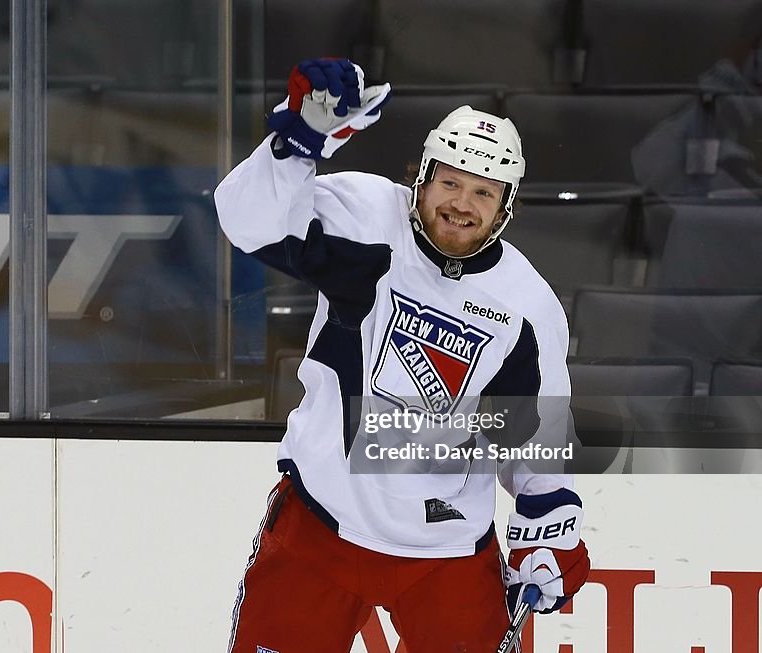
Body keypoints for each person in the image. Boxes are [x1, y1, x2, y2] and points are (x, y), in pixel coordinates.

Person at [216, 58, 591, 653]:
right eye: (450, 182)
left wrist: (547, 532)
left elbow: (534, 438)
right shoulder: (365, 217)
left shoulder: (527, 305)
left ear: (506, 206)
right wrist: (296, 143)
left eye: (483, 193)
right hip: (321, 524)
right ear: (420, 176)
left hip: (446, 552)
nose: (462, 204)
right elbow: (247, 223)